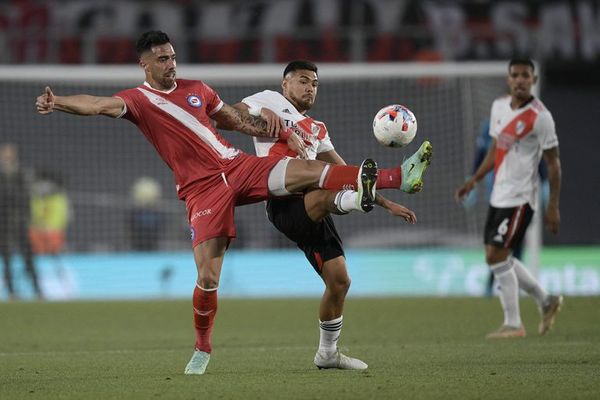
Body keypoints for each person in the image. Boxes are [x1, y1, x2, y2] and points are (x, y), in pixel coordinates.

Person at [35, 30, 432, 374]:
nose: (171, 64)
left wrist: (274, 128)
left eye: (173, 56)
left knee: (305, 171)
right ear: (145, 65)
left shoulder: (199, 90)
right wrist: (60, 102)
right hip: (202, 190)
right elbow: (98, 104)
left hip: (237, 166)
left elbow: (233, 119)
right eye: (162, 59)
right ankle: (202, 347)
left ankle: (397, 176)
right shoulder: (137, 100)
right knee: (208, 277)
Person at [220, 60, 422, 370]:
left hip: (316, 206)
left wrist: (386, 204)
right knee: (319, 180)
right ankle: (362, 196)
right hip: (284, 202)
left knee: (340, 281)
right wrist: (260, 114)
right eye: (302, 81)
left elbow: (346, 171)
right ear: (285, 84)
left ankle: (327, 354)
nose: (309, 87)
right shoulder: (267, 99)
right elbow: (225, 118)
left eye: (314, 83)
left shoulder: (318, 129)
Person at [455, 57, 563, 339]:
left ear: (534, 80)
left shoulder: (541, 117)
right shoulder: (499, 107)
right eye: (515, 75)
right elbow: (495, 148)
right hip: (498, 194)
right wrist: (475, 180)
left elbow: (553, 163)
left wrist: (552, 205)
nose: (520, 80)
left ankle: (514, 323)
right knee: (495, 257)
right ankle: (546, 300)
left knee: (496, 254)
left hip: (521, 197)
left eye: (525, 75)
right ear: (508, 79)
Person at [464, 119, 550, 297]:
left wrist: (544, 186)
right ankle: (493, 286)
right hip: (498, 198)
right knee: (497, 245)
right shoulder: (490, 127)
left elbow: (538, 159)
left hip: (523, 198)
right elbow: (480, 157)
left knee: (514, 244)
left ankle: (512, 287)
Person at [0, 143, 43, 300]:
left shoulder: (21, 174)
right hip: (3, 223)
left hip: (20, 221)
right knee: (6, 258)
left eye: (9, 153)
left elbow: (26, 196)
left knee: (28, 257)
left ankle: (37, 291)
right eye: (4, 153)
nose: (6, 156)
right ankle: (11, 292)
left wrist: (29, 218)